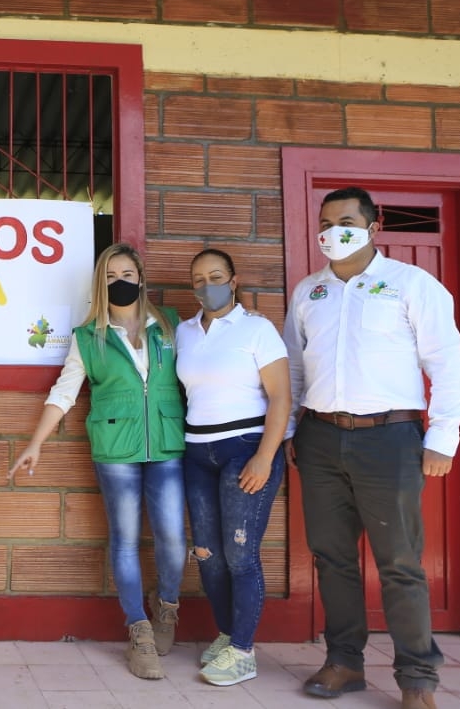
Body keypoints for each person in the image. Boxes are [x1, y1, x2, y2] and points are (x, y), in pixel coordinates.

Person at [284, 186, 460, 709]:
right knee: (332, 558)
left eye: (345, 219)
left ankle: (417, 679)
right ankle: (343, 662)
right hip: (320, 437)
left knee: (400, 562)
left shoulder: (412, 284)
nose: (332, 230)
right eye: (325, 221)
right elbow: (295, 366)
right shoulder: (308, 292)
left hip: (390, 438)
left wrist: (443, 437)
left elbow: (445, 363)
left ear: (372, 226)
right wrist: (295, 431)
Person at [8, 242, 186, 681]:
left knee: (173, 539)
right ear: (98, 286)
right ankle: (139, 630)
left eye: (126, 274)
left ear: (141, 277)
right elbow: (64, 393)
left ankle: (167, 608)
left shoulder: (172, 324)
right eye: (109, 277)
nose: (119, 283)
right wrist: (35, 443)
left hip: (166, 445)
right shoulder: (89, 337)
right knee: (124, 539)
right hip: (115, 449)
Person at [176, 249, 291, 686]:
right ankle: (228, 636)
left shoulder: (257, 329)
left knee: (241, 554)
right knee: (208, 554)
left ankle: (244, 651)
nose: (208, 285)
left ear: (234, 280)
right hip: (196, 453)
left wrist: (266, 455)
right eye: (199, 278)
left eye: (217, 276)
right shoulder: (184, 332)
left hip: (245, 448)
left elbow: (280, 396)